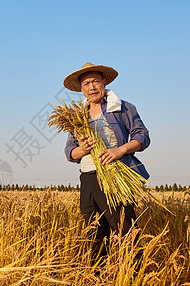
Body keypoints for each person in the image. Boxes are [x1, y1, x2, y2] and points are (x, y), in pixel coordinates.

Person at [63, 62, 150, 261]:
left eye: (95, 81)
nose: (91, 87)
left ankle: (134, 273)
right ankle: (99, 275)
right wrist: (83, 149)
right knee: (95, 235)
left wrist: (120, 150)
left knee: (124, 229)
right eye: (86, 83)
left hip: (115, 176)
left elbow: (142, 137)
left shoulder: (122, 107)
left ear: (104, 82)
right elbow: (70, 152)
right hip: (88, 178)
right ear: (81, 89)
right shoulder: (77, 117)